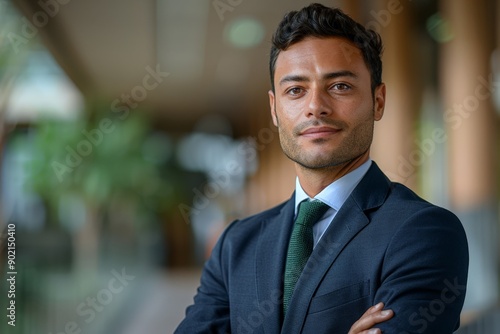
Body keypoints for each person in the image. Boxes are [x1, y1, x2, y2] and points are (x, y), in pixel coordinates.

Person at [175, 3, 469, 333]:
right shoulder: (236, 245)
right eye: (296, 90)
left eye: (340, 86)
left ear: (378, 101)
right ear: (274, 110)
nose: (316, 107)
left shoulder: (422, 233)